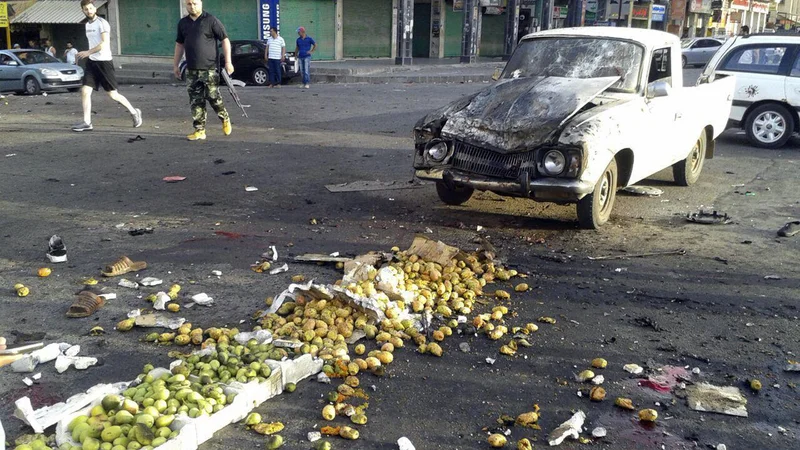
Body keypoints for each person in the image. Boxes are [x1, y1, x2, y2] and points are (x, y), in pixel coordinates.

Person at [72, 0, 142, 132]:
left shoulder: (102, 23)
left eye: (91, 8)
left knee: (113, 94)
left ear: (95, 9)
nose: (89, 11)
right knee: (85, 91)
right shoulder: (87, 25)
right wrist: (89, 55)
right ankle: (87, 122)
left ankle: (134, 112)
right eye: (86, 9)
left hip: (104, 62)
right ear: (83, 10)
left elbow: (104, 43)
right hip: (92, 62)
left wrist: (87, 52)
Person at [173, 0, 233, 141]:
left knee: (213, 97)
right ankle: (199, 130)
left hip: (210, 68)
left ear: (201, 3)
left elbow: (225, 40)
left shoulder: (211, 20)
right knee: (196, 100)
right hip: (192, 69)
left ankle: (224, 118)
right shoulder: (183, 23)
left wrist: (228, 62)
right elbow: (179, 44)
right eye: (189, 4)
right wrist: (175, 65)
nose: (192, 6)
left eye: (194, 3)